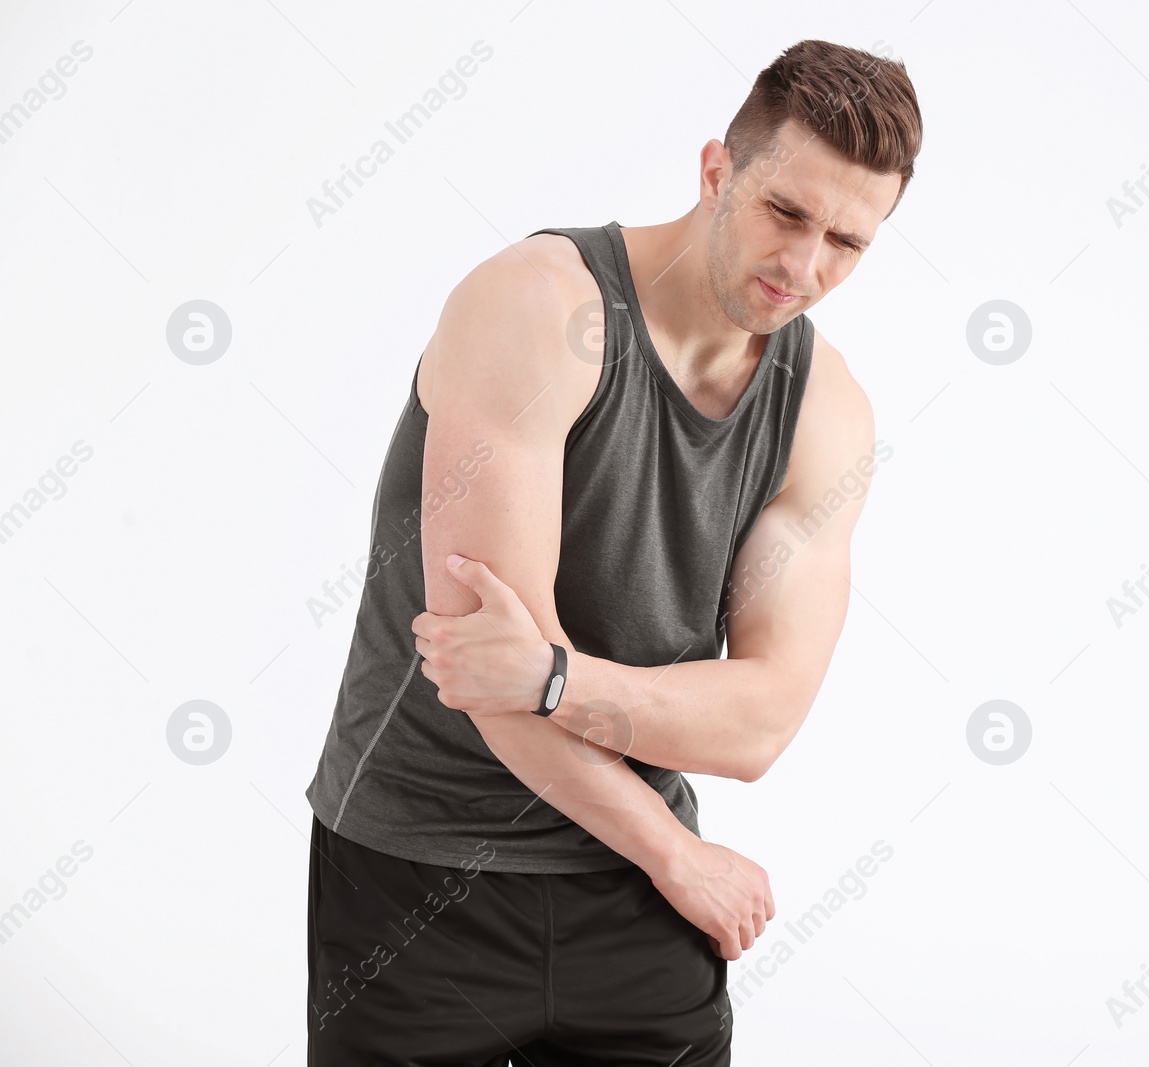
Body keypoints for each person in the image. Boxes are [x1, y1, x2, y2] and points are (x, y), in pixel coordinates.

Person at [303, 38, 922, 1065]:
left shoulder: (826, 411)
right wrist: (678, 852)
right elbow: (477, 680)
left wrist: (550, 675)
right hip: (419, 872)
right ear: (717, 169)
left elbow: (759, 723)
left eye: (847, 242)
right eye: (785, 212)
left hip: (635, 898)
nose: (803, 268)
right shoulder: (540, 307)